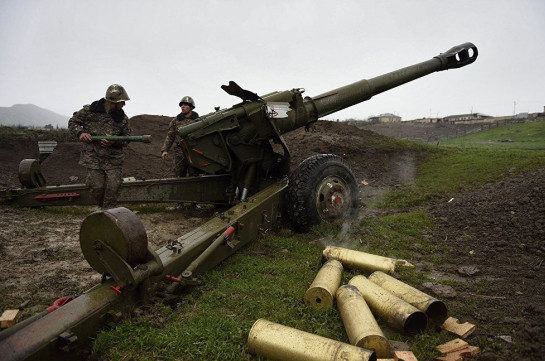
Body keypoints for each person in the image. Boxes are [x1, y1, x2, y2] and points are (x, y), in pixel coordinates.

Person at [68, 84, 131, 209]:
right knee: (96, 186)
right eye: (122, 101)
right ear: (113, 101)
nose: (124, 104)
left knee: (113, 187)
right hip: (93, 157)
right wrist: (80, 132)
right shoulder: (88, 111)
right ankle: (102, 209)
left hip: (113, 159)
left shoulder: (122, 119)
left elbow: (126, 138)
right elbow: (72, 122)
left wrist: (114, 142)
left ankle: (108, 214)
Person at [161, 96, 199, 177]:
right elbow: (170, 136)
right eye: (181, 105)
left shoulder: (197, 120)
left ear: (191, 107)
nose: (183, 107)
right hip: (179, 152)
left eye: (185, 105)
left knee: (195, 174)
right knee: (178, 175)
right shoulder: (175, 121)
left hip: (194, 151)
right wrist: (165, 150)